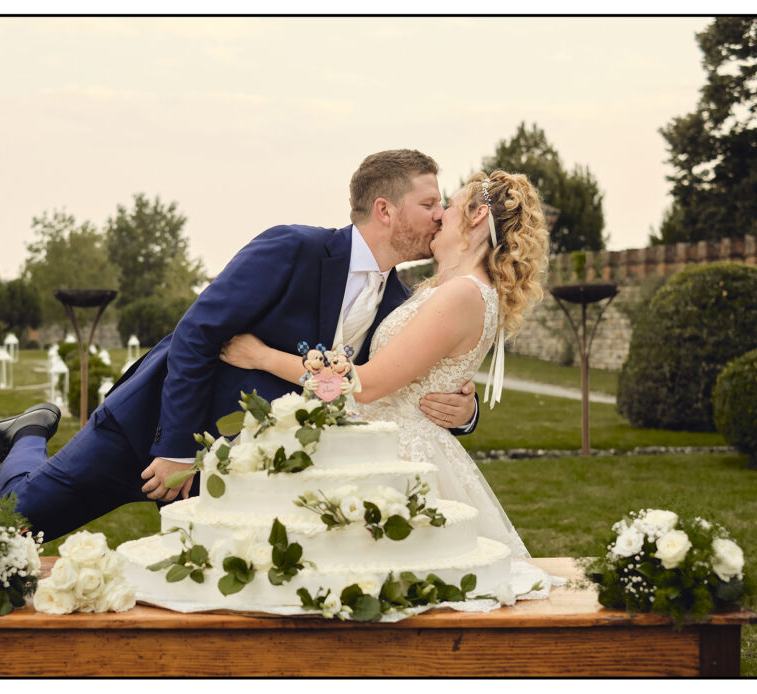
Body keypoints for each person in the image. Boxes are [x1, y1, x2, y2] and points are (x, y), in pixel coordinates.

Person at [0, 149, 481, 540]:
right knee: (14, 528)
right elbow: (196, 335)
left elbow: (384, 380)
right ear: (385, 209)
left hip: (252, 469)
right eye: (429, 203)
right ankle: (27, 435)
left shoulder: (401, 302)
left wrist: (466, 411)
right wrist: (174, 449)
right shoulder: (293, 248)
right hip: (150, 432)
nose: (440, 215)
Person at [220, 170, 550, 557]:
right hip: (383, 440)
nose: (440, 214)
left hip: (398, 454)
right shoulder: (443, 291)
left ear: (477, 217)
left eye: (450, 206)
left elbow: (367, 384)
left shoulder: (461, 294)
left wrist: (261, 356)